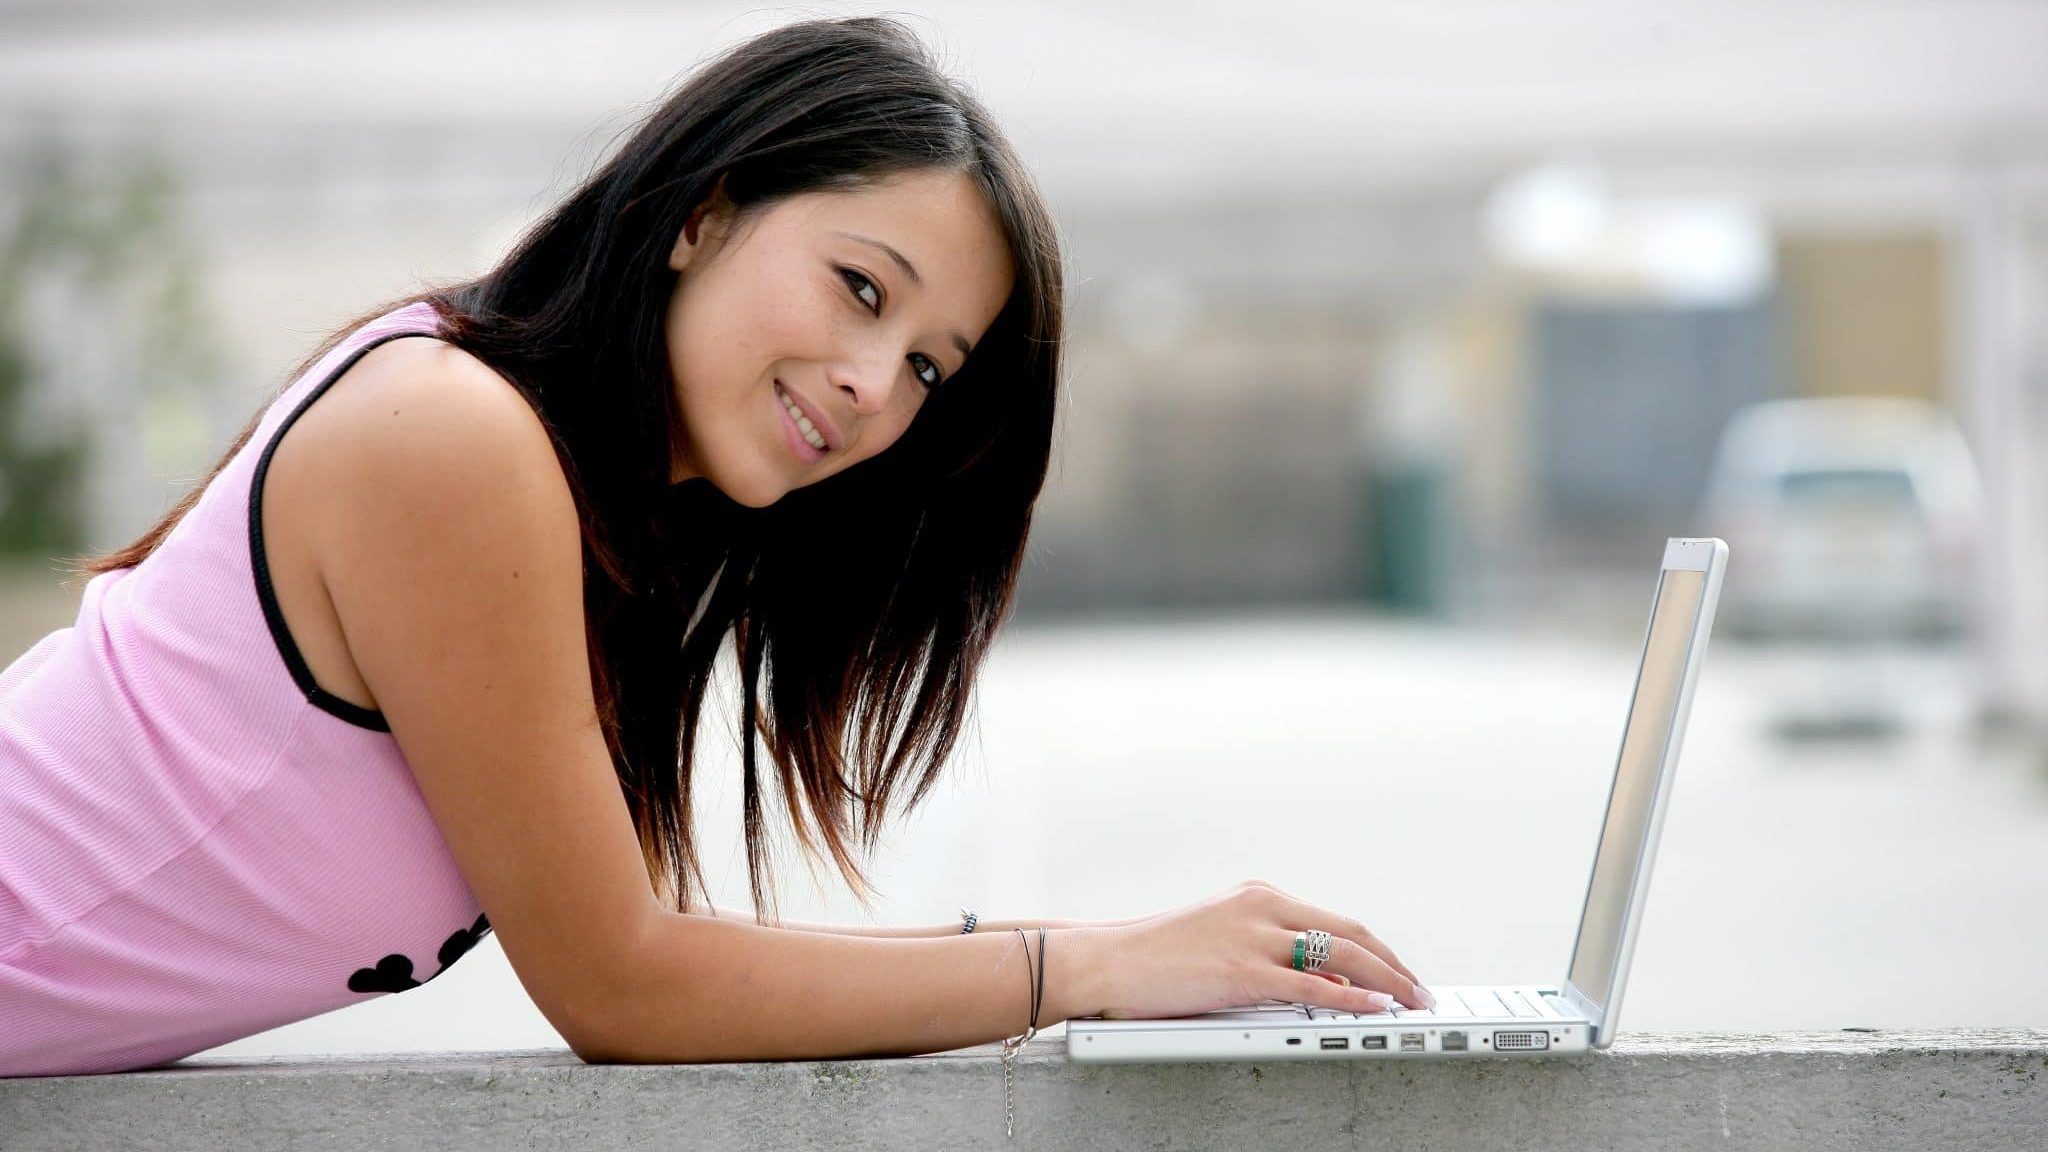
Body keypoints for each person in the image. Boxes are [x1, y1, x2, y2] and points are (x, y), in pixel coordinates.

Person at [0, 16, 1427, 1080]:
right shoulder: (451, 437)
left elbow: (679, 964)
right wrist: (1101, 968)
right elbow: (625, 990)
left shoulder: (591, 519)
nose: (877, 385)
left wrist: (1117, 960)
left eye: (930, 367)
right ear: (702, 214)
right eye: (861, 288)